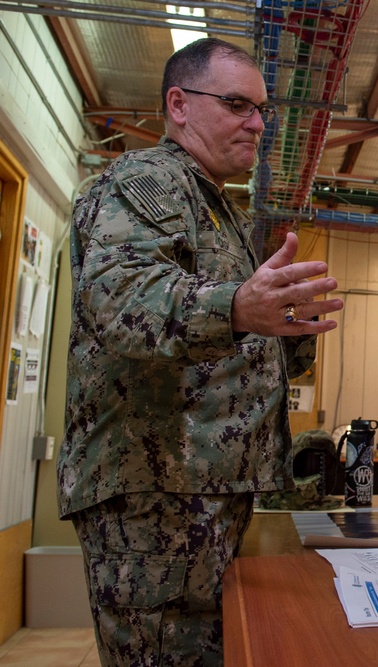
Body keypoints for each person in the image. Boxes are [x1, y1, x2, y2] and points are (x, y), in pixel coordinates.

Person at [57, 38, 345, 665]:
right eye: (238, 104)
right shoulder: (148, 182)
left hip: (200, 488)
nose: (259, 124)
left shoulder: (219, 210)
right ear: (179, 105)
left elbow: (223, 342)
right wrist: (239, 307)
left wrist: (282, 333)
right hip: (156, 494)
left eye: (262, 109)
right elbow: (121, 301)